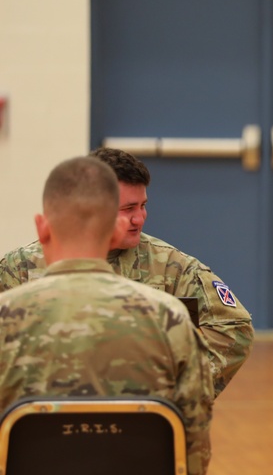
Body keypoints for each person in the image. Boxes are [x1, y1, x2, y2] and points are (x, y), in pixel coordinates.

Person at [0, 156, 223, 475]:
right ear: (110, 227)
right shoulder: (169, 318)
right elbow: (192, 460)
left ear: (43, 226)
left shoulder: (4, 317)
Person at [0, 147, 253, 397]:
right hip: (40, 416)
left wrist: (173, 385)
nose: (139, 218)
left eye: (142, 205)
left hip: (142, 413)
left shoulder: (169, 265)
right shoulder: (20, 269)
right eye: (128, 209)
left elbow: (233, 328)